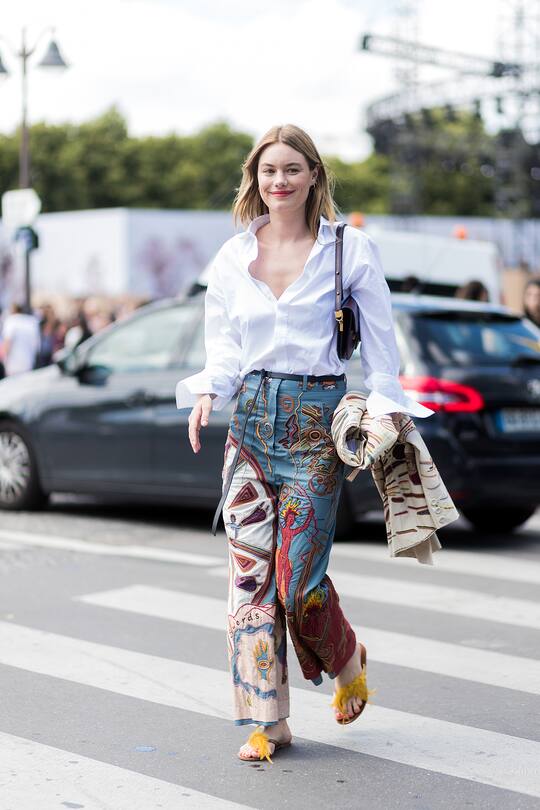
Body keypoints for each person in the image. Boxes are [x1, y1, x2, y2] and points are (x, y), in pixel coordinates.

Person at [175, 124, 434, 763]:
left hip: (318, 428)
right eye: (269, 171)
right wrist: (210, 389)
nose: (279, 181)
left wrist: (383, 417)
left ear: (314, 175)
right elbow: (225, 345)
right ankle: (266, 721)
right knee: (248, 579)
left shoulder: (350, 250)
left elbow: (380, 351)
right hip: (251, 425)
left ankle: (346, 657)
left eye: (292, 169)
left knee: (299, 583)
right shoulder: (233, 257)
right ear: (254, 178)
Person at [1, 302, 40, 377]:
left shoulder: (11, 321)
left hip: (13, 365)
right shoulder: (32, 322)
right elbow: (37, 347)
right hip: (29, 364)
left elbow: (7, 343)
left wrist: (3, 360)